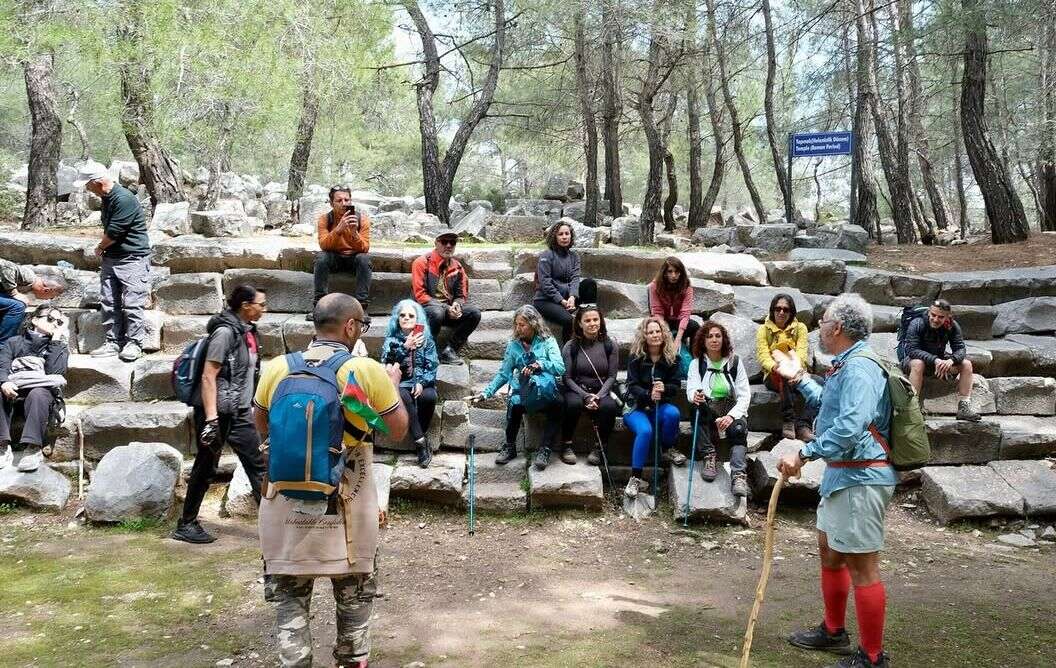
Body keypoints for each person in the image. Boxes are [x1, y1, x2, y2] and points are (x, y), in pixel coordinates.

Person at [255, 293, 408, 668]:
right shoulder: (365, 370)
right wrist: (392, 382)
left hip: (286, 500)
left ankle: (296, 661)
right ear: (351, 327)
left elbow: (260, 423)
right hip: (347, 500)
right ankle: (352, 660)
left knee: (290, 599)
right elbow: (399, 430)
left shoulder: (278, 367)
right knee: (354, 598)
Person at [774, 293, 897, 668]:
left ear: (838, 327)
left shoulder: (860, 367)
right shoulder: (847, 365)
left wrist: (804, 453)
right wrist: (798, 377)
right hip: (843, 476)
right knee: (830, 552)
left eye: (823, 322)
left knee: (862, 566)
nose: (819, 328)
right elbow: (832, 404)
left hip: (861, 477)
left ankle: (873, 658)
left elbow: (850, 425)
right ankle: (833, 631)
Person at [171, 285, 268, 544]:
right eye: (261, 304)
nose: (264, 309)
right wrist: (212, 419)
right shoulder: (225, 333)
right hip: (217, 412)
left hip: (238, 411)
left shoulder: (249, 332)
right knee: (206, 467)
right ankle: (186, 524)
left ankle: (275, 525)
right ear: (245, 305)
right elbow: (208, 376)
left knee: (258, 464)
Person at [470, 305, 565, 470]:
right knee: (514, 403)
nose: (518, 328)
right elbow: (504, 373)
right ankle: (510, 446)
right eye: (516, 324)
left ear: (533, 324)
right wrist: (486, 393)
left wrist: (540, 364)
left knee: (559, 403)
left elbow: (560, 367)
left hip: (544, 389)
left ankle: (545, 449)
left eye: (523, 325)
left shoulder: (547, 341)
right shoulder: (513, 346)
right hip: (524, 389)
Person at [75, 160, 151, 362]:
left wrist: (100, 247)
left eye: (87, 184)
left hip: (132, 259)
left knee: (133, 303)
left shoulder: (123, 198)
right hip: (112, 259)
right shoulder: (107, 198)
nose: (87, 188)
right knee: (109, 302)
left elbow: (115, 232)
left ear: (97, 182)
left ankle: (135, 343)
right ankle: (113, 342)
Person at [686, 320, 752, 496]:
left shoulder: (734, 362)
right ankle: (709, 456)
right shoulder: (696, 364)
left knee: (739, 429)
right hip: (709, 407)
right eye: (709, 337)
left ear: (723, 339)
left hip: (731, 408)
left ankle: (738, 475)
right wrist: (695, 396)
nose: (714, 340)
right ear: (703, 341)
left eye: (718, 336)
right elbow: (691, 388)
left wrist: (731, 417)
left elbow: (745, 395)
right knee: (695, 410)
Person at [0, 304, 69, 472]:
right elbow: (2, 366)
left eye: (59, 322)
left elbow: (55, 373)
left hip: (40, 392)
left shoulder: (58, 346)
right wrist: (5, 382)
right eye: (51, 318)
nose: (54, 323)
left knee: (39, 393)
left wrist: (55, 341)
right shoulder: (14, 342)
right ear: (34, 319)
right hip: (14, 388)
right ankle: (2, 446)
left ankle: (32, 447)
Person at [623, 317, 685, 498]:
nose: (655, 335)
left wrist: (665, 389)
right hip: (636, 407)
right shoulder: (636, 357)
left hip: (660, 405)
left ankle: (666, 449)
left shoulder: (672, 357)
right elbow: (632, 385)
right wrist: (647, 394)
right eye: (650, 332)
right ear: (644, 336)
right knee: (645, 431)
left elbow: (676, 385)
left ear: (663, 333)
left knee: (673, 413)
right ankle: (635, 478)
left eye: (657, 331)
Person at [899, 299, 980, 422]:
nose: (936, 319)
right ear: (929, 312)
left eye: (940, 317)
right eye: (933, 315)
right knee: (918, 364)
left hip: (939, 361)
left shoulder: (952, 326)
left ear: (947, 317)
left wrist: (951, 360)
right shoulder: (917, 323)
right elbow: (912, 350)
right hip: (913, 361)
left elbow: (960, 349)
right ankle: (913, 407)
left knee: (966, 364)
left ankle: (964, 407)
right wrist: (935, 360)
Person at [381, 299, 439, 468]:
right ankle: (421, 442)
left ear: (417, 319)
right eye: (402, 315)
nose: (406, 318)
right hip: (400, 382)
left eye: (411, 315)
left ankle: (419, 432)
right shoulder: (391, 341)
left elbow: (432, 366)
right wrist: (405, 347)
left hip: (421, 382)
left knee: (429, 397)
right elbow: (387, 365)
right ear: (397, 319)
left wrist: (421, 382)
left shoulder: (427, 341)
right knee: (403, 394)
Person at [560, 305, 619, 467]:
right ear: (579, 323)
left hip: (601, 389)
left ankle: (600, 448)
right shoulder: (570, 346)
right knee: (572, 404)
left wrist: (598, 396)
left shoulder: (610, 344)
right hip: (577, 389)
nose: (592, 323)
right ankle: (566, 445)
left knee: (609, 407)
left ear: (601, 321)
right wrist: (585, 396)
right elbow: (567, 378)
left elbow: (612, 376)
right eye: (587, 320)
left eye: (595, 319)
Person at [411, 231, 482, 365]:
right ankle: (428, 351)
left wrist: (456, 305)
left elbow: (461, 295)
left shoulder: (457, 266)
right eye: (444, 242)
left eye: (452, 242)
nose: (448, 246)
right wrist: (446, 307)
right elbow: (420, 295)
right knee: (437, 312)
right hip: (425, 309)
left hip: (447, 311)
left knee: (474, 313)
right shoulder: (421, 263)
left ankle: (450, 351)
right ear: (436, 243)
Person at [757, 293, 814, 441]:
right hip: (774, 374)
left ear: (791, 312)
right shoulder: (763, 329)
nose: (781, 312)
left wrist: (795, 368)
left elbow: (801, 351)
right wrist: (776, 367)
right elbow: (763, 355)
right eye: (778, 309)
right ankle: (788, 421)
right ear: (773, 310)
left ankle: (804, 426)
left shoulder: (800, 328)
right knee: (784, 373)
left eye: (785, 309)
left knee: (821, 383)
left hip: (797, 371)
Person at [311, 185, 372, 317]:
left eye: (347, 200)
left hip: (354, 259)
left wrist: (354, 233)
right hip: (334, 258)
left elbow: (365, 248)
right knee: (321, 257)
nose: (344, 203)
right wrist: (338, 230)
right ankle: (319, 305)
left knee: (364, 259)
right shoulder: (325, 219)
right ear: (332, 203)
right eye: (339, 201)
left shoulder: (362, 220)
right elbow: (324, 245)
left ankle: (362, 307)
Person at [533, 221, 595, 342]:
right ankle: (569, 351)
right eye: (560, 234)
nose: (564, 236)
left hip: (568, 298)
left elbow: (575, 278)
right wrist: (561, 301)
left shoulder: (574, 256)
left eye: (567, 233)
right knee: (569, 321)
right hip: (546, 300)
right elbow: (545, 283)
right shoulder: (547, 255)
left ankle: (589, 315)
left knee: (589, 284)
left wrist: (572, 296)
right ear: (554, 237)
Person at [0, 259, 66, 342]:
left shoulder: (27, 287)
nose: (49, 299)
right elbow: (7, 266)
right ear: (46, 290)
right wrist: (14, 293)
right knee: (18, 306)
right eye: (52, 297)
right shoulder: (29, 277)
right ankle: (2, 345)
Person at [648, 256, 699, 354]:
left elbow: (685, 314)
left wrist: (677, 340)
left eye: (677, 272)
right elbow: (657, 312)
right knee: (651, 327)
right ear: (665, 273)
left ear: (681, 272)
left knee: (695, 326)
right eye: (670, 272)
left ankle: (695, 358)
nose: (674, 275)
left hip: (679, 320)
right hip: (662, 321)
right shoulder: (654, 286)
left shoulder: (686, 286)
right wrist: (667, 334)